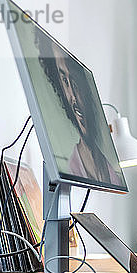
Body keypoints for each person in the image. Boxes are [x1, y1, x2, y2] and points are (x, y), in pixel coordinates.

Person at [35, 29, 121, 185]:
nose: (73, 96)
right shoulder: (72, 166)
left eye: (74, 81)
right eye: (65, 81)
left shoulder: (107, 168)